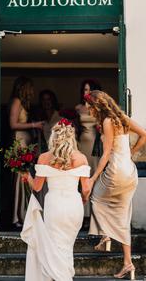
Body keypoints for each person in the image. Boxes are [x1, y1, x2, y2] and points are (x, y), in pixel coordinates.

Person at [85, 90, 146, 280]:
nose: (87, 108)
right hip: (130, 172)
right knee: (122, 214)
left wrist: (93, 177)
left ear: (97, 106)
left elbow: (105, 155)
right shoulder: (121, 117)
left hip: (116, 171)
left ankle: (105, 236)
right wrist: (132, 153)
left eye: (89, 105)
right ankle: (128, 263)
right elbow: (144, 134)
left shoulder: (107, 122)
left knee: (96, 197)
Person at [20, 118, 91, 281]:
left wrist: (26, 176)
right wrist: (83, 200)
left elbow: (37, 188)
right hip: (74, 206)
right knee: (66, 247)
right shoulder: (81, 158)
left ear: (54, 137)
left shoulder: (44, 158)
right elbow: (86, 189)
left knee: (54, 247)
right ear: (71, 137)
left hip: (55, 207)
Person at [9, 76, 44, 228]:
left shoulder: (24, 103)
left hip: (27, 143)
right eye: (30, 87)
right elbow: (13, 124)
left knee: (26, 178)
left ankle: (24, 213)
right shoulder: (17, 101)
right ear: (24, 88)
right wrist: (34, 124)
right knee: (21, 178)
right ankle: (18, 216)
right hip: (20, 143)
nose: (32, 91)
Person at [75, 80, 101, 227]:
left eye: (89, 90)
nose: (86, 93)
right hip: (82, 146)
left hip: (95, 146)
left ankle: (94, 215)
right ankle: (83, 215)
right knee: (82, 178)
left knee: (94, 178)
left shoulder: (99, 108)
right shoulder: (78, 108)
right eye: (85, 90)